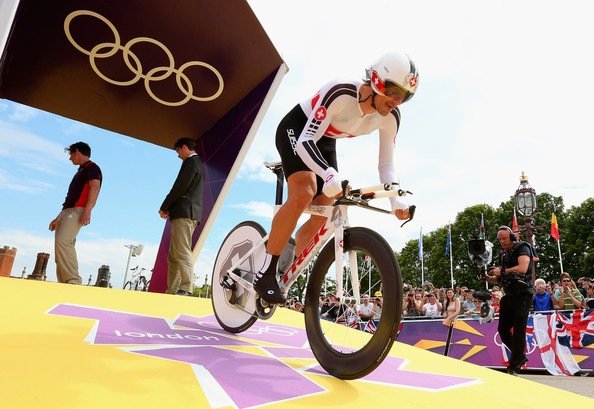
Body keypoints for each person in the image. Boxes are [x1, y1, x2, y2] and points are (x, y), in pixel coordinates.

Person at [252, 51, 419, 304]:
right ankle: (265, 271)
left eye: (404, 96)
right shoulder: (340, 92)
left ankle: (285, 271)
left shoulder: (391, 118)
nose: (397, 101)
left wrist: (395, 201)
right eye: (393, 90)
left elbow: (386, 164)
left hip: (327, 139)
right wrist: (328, 174)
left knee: (327, 209)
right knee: (305, 191)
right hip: (298, 129)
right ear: (375, 80)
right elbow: (306, 141)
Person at [49, 142, 102, 284]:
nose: (70, 158)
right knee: (60, 245)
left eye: (71, 154)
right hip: (67, 211)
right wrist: (58, 217)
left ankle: (73, 281)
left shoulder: (92, 168)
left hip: (78, 210)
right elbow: (71, 198)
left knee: (64, 241)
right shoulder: (80, 171)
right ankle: (64, 282)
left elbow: (95, 188)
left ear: (77, 152)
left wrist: (88, 210)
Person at [485, 226, 535, 375]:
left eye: (504, 238)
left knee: (519, 329)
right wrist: (488, 278)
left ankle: (514, 365)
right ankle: (519, 356)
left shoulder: (523, 247)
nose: (502, 241)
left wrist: (503, 271)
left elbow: (523, 268)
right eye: (499, 239)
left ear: (512, 237)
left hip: (523, 294)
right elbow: (500, 280)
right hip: (509, 294)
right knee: (502, 329)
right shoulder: (503, 255)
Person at [159, 137, 204, 296]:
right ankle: (172, 290)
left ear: (184, 147)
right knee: (174, 254)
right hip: (186, 213)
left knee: (182, 251)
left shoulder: (191, 162)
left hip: (185, 213)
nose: (178, 155)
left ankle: (186, 287)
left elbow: (179, 187)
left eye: (178, 151)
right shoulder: (197, 163)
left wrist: (165, 206)